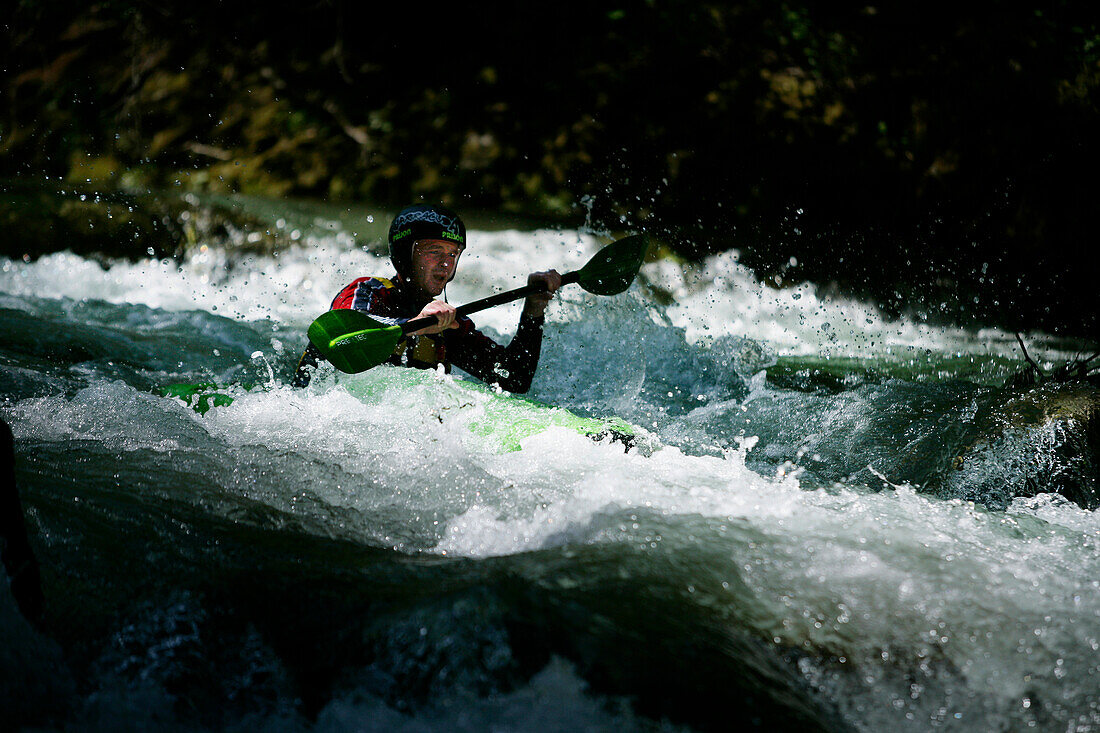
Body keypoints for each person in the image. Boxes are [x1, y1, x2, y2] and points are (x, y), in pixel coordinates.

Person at [293, 204, 561, 393]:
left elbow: (514, 378)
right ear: (405, 255)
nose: (446, 264)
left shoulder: (447, 323)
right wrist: (415, 323)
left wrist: (533, 310)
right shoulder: (367, 292)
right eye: (435, 251)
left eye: (453, 254)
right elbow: (345, 336)